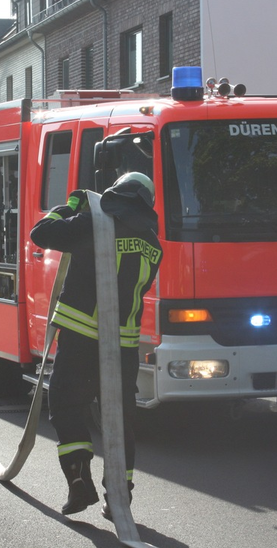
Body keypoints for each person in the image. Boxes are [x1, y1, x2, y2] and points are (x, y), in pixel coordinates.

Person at [30, 172, 163, 518]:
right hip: (124, 348)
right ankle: (120, 497)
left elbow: (40, 234)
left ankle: (78, 481)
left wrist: (69, 206)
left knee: (66, 407)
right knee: (119, 423)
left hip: (81, 340)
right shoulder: (153, 242)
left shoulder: (92, 225)